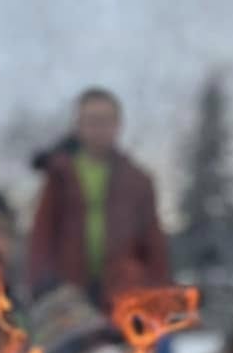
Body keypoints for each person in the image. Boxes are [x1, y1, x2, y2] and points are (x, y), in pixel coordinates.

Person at [26, 88, 170, 309]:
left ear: (118, 124)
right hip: (69, 292)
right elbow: (42, 233)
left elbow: (153, 242)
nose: (98, 128)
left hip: (123, 293)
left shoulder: (138, 180)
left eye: (105, 120)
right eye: (91, 120)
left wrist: (159, 290)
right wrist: (41, 281)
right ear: (79, 125)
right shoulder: (60, 174)